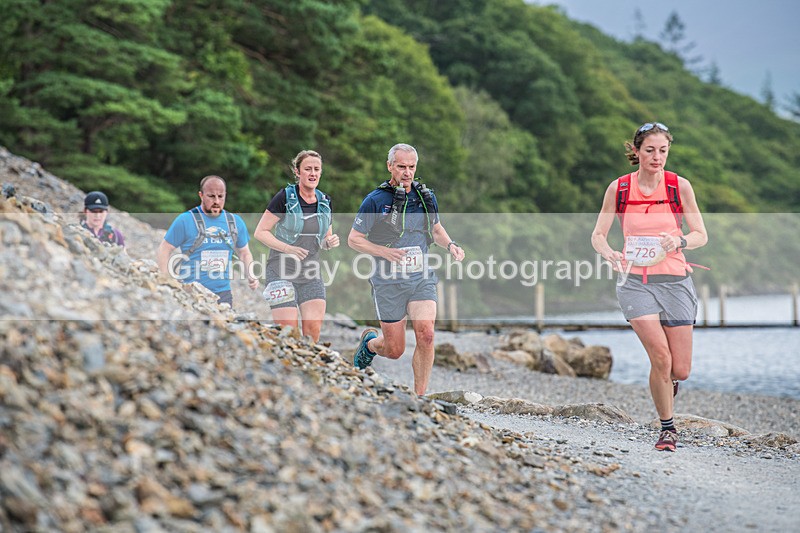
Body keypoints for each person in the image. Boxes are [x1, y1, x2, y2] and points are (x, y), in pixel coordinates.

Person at [591, 122, 708, 452]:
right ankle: (667, 429)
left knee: (679, 370)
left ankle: (667, 383)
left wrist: (680, 239)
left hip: (675, 281)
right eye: (650, 150)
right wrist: (609, 252)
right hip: (635, 283)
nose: (657, 157)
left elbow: (701, 234)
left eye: (663, 150)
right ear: (637, 151)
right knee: (660, 357)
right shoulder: (620, 189)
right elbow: (598, 235)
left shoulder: (678, 187)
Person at [348, 143, 465, 395]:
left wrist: (451, 245)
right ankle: (369, 344)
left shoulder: (426, 197)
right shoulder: (375, 200)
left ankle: (420, 397)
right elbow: (354, 239)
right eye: (401, 166)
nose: (407, 172)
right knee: (394, 350)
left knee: (427, 335)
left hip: (421, 278)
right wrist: (385, 252)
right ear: (390, 166)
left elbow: (436, 229)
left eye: (411, 167)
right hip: (388, 281)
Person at [254, 150, 339, 342]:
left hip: (310, 272)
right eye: (307, 169)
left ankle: (310, 371)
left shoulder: (325, 201)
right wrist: (288, 249)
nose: (313, 173)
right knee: (288, 334)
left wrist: (329, 242)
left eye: (317, 169)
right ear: (297, 171)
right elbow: (260, 232)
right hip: (281, 271)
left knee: (313, 332)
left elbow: (325, 239)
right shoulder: (284, 197)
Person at [157, 175, 259, 307]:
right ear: (201, 195)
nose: (216, 201)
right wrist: (165, 277)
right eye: (211, 196)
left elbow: (244, 252)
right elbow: (164, 248)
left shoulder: (235, 222)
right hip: (191, 291)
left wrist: (250, 274)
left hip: (222, 293)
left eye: (220, 196)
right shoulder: (186, 220)